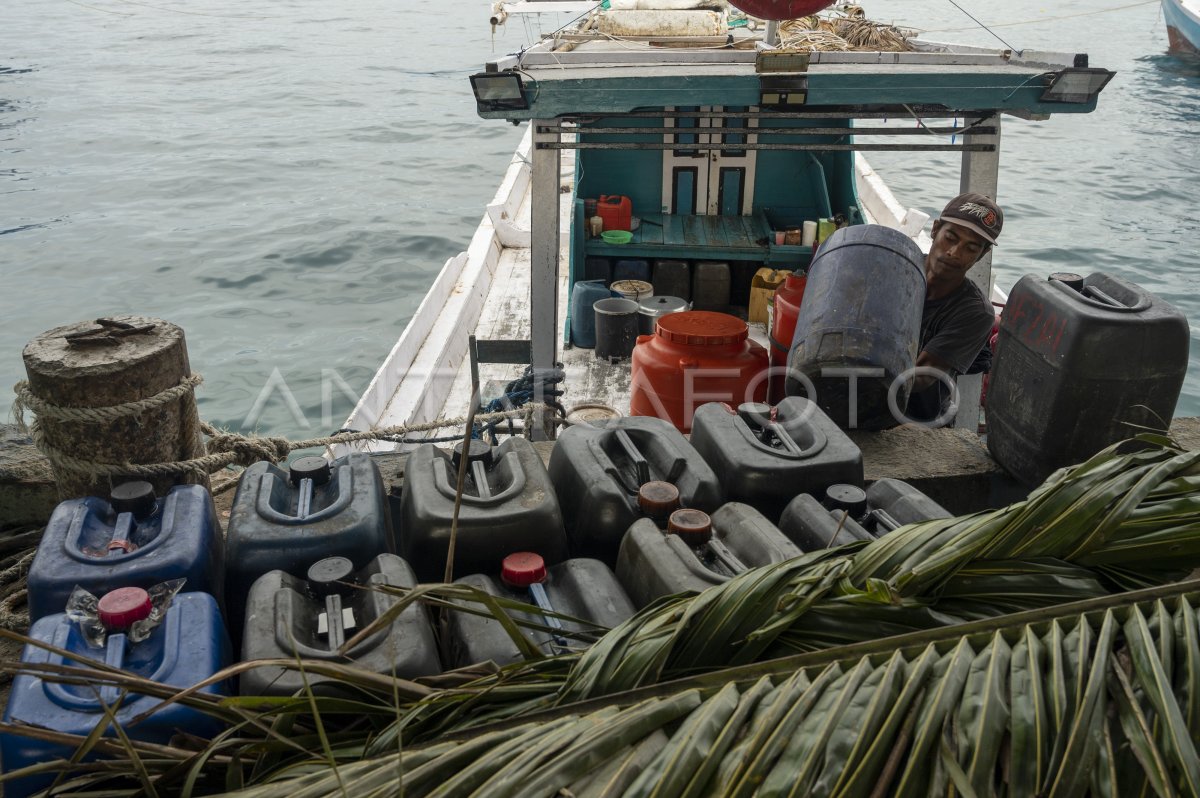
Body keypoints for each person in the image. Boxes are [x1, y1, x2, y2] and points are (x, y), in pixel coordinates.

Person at [904, 192, 1002, 425]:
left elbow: (921, 377)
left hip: (917, 419)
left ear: (982, 254)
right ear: (935, 229)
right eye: (951, 237)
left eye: (971, 247)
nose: (954, 253)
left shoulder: (975, 312)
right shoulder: (899, 267)